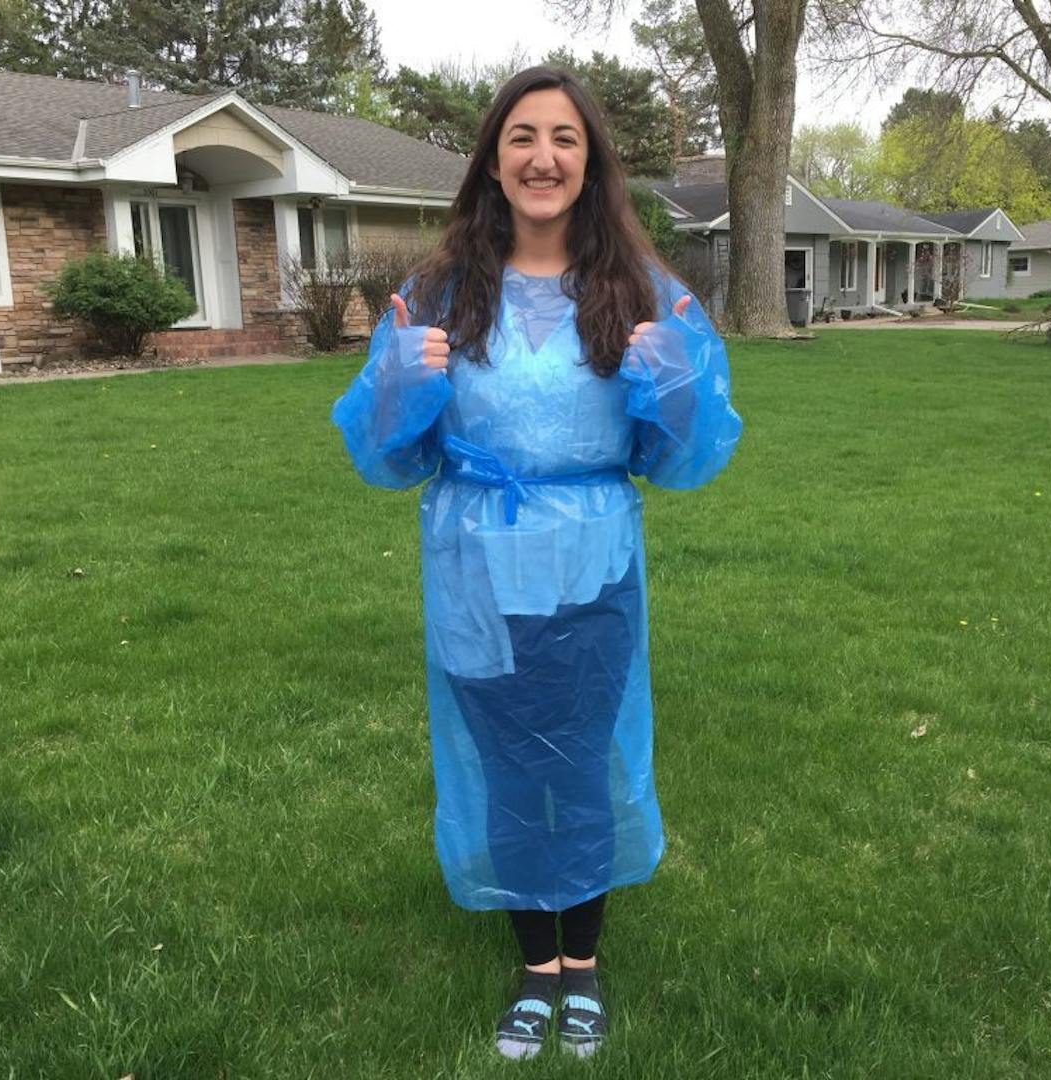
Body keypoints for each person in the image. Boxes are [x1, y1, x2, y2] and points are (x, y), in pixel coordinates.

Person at [331, 65, 740, 1060]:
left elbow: (683, 458)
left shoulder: (643, 292)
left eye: (564, 137)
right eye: (521, 136)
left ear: (589, 160)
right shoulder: (436, 295)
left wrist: (676, 386)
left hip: (594, 565)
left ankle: (586, 963)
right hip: (474, 566)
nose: (543, 156)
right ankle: (536, 967)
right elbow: (389, 459)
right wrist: (393, 388)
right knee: (504, 764)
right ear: (493, 161)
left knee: (590, 760)